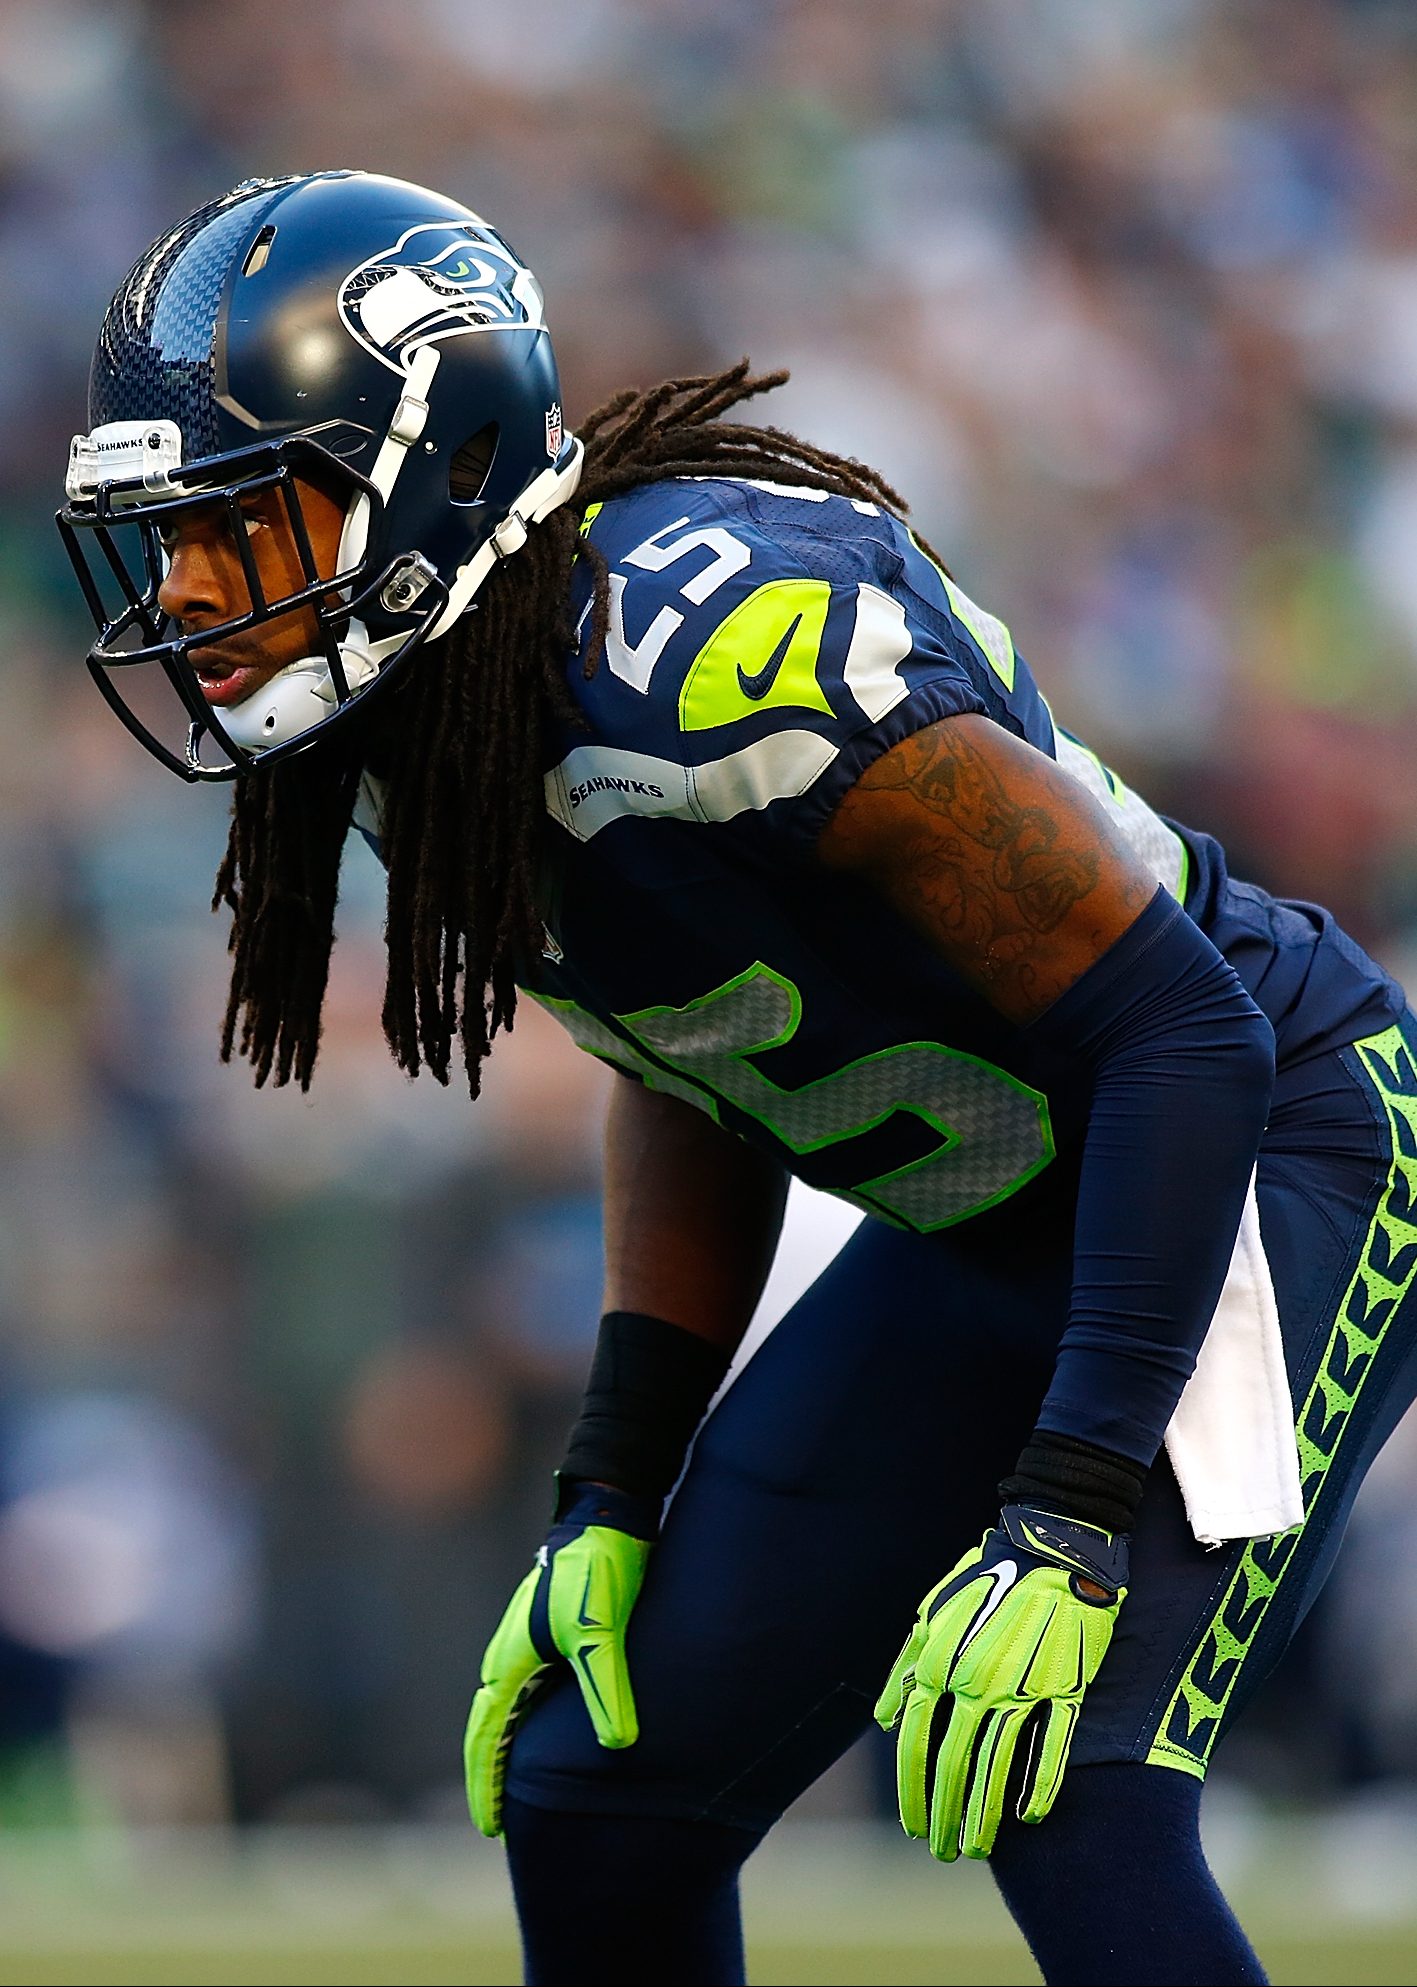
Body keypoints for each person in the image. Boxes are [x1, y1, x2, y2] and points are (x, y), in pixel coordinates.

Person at [59, 169, 1417, 1987]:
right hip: (1003, 1214)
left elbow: (1183, 1032)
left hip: (1263, 1149)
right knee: (600, 1791)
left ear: (434, 469)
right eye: (174, 536)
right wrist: (614, 1483)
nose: (192, 590)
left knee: (1060, 1781)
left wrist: (1068, 1509)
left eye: (243, 522)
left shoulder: (719, 644)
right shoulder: (419, 716)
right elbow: (696, 1054)